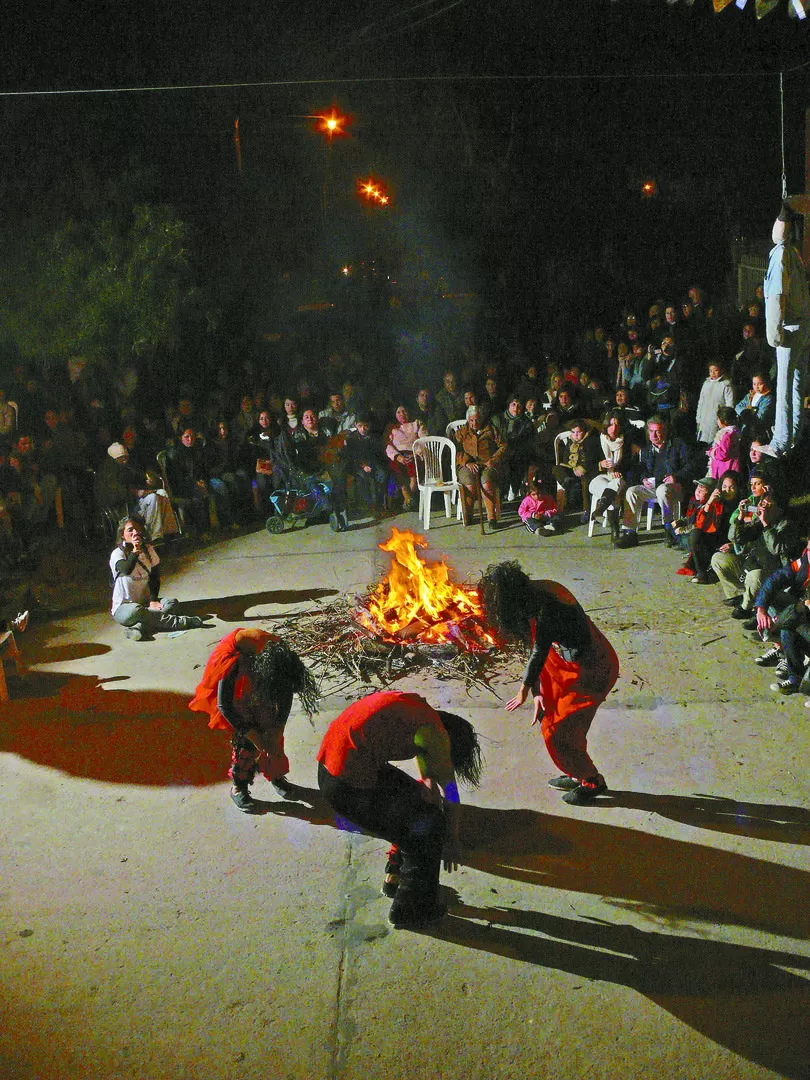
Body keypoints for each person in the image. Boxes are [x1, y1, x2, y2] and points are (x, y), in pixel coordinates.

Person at [316, 690, 483, 929]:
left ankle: (394, 879)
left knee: (417, 805)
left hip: (332, 769)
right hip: (347, 787)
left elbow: (425, 766)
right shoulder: (435, 736)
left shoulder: (420, 713)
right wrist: (451, 839)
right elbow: (452, 794)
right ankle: (410, 909)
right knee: (428, 828)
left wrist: (426, 788)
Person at [479, 561, 619, 805]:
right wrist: (538, 692)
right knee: (553, 721)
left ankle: (591, 780)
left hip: (591, 670)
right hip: (563, 666)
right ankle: (577, 772)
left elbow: (539, 651)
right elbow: (537, 647)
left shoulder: (548, 606)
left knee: (559, 732)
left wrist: (524, 690)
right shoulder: (533, 593)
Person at [189, 628, 319, 811]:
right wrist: (254, 737)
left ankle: (276, 776)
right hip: (239, 663)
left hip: (259, 661)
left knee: (271, 730)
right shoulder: (232, 662)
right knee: (247, 739)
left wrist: (278, 728)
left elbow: (285, 696)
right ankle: (238, 787)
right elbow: (225, 706)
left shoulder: (283, 662)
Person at [109, 515, 206, 641]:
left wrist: (154, 600)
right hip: (125, 608)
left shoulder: (149, 550)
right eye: (130, 530)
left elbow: (155, 577)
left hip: (145, 603)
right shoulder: (118, 553)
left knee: (171, 603)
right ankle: (183, 622)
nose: (135, 533)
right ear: (122, 535)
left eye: (138, 529)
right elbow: (126, 569)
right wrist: (135, 550)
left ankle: (138, 627)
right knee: (136, 611)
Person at [763, 202, 810, 457]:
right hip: (803, 325)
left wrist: (775, 333)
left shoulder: (781, 254)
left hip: (790, 327)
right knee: (797, 384)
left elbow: (776, 296)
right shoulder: (795, 253)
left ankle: (781, 441)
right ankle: (794, 434)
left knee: (785, 383)